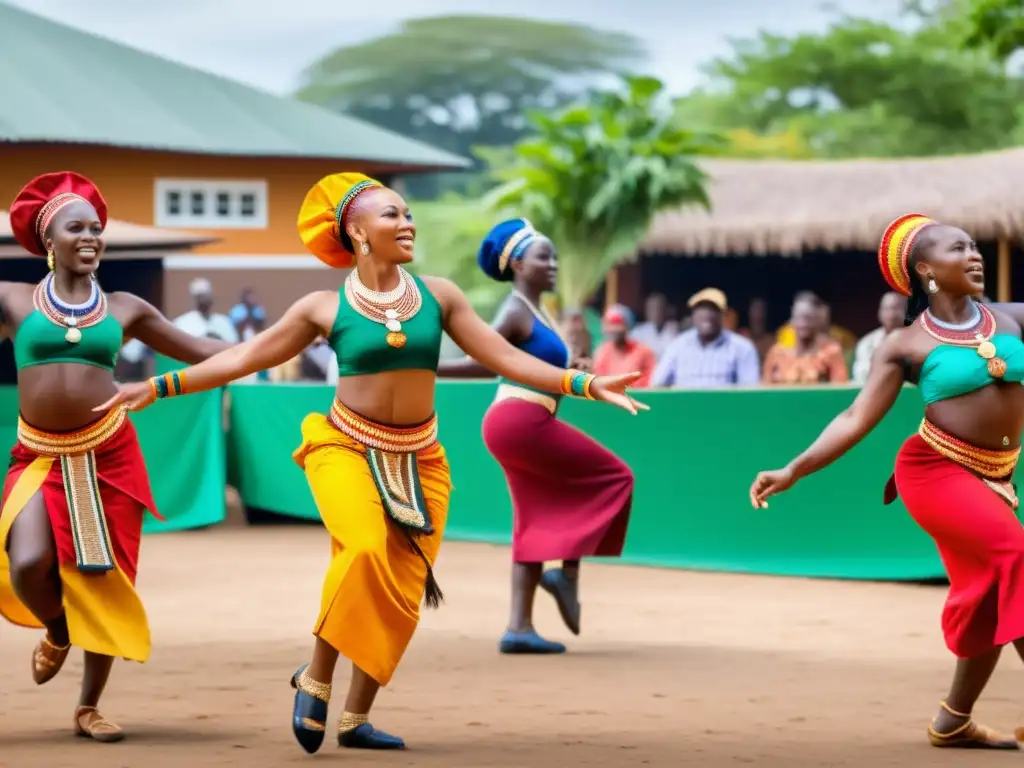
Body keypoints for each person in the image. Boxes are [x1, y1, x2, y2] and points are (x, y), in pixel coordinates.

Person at [94, 175, 646, 754]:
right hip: (344, 446)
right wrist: (158, 386)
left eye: (408, 214)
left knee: (401, 593)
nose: (407, 223)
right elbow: (244, 356)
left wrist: (584, 383)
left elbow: (503, 357)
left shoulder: (440, 296)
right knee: (361, 549)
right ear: (357, 232)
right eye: (392, 215)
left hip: (421, 460)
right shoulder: (322, 307)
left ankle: (356, 718)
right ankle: (315, 674)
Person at [750, 213, 1024, 751]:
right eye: (958, 249)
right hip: (934, 471)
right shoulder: (903, 345)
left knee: (991, 594)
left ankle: (953, 719)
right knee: (1015, 555)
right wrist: (793, 469)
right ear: (926, 270)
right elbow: (853, 419)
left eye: (975, 247)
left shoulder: (1012, 319)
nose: (974, 256)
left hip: (997, 476)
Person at [0, 171, 232, 742]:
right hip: (38, 455)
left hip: (110, 457)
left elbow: (204, 350)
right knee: (28, 562)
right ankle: (57, 631)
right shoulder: (10, 296)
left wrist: (296, 335)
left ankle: (88, 707)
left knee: (104, 579)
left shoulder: (125, 307)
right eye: (75, 228)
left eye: (96, 229)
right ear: (47, 239)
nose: (90, 237)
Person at [437, 219, 635, 655]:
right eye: (544, 256)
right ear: (518, 264)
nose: (554, 264)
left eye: (554, 256)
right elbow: (482, 361)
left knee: (532, 517)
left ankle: (518, 627)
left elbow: (536, 365)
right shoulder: (514, 311)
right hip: (520, 418)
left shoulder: (535, 311)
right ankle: (566, 573)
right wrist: (425, 365)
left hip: (519, 419)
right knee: (616, 477)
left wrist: (575, 369)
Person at [651, 288, 760, 388]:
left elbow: (749, 393)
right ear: (693, 315)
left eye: (713, 309)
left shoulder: (742, 348)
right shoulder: (677, 346)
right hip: (684, 407)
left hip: (725, 408)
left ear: (722, 315)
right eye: (700, 309)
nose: (706, 314)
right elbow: (657, 385)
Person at [761, 293, 849, 385]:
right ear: (792, 319)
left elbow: (839, 391)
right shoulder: (777, 354)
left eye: (808, 318)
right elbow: (764, 391)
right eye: (799, 318)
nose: (803, 323)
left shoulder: (831, 352)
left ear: (817, 320)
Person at [592, 304, 656, 387]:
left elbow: (650, 382)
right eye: (609, 324)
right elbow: (598, 379)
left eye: (618, 324)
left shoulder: (643, 352)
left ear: (628, 326)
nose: (613, 330)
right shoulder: (602, 351)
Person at [852, 292, 908, 384]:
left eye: (897, 308)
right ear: (879, 313)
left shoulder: (918, 340)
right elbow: (861, 375)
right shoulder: (867, 343)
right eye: (886, 309)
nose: (892, 314)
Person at [631, 292, 679, 358]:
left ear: (666, 309)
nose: (655, 312)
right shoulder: (637, 332)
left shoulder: (675, 330)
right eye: (651, 308)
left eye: (658, 307)